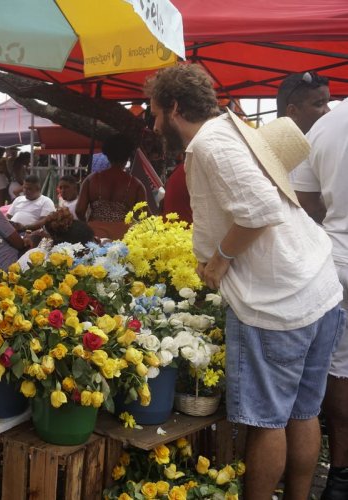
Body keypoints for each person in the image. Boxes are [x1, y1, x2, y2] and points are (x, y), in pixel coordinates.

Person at [146, 63, 344, 500]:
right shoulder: (234, 127)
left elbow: (259, 211)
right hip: (317, 285)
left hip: (278, 302)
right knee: (303, 413)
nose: (155, 121)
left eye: (155, 111)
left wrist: (217, 262)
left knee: (268, 424)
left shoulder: (209, 145)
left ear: (175, 107)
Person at [289, 98, 348, 500]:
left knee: (338, 370)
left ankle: (341, 475)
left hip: (339, 262)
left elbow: (306, 203)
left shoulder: (329, 124)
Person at [277, 71, 331, 223]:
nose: (328, 111)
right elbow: (309, 205)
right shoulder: (275, 153)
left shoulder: (317, 144)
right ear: (292, 111)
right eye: (319, 104)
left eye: (328, 102)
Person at [75, 133, 146, 239]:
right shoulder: (136, 185)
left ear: (107, 155)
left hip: (95, 234)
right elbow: (144, 216)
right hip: (124, 236)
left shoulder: (91, 180)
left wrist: (87, 224)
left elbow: (79, 210)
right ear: (128, 157)